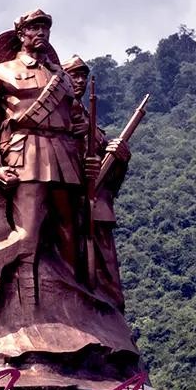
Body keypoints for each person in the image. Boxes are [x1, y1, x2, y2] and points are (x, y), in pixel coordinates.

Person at [0, 9, 87, 298]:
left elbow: (76, 118)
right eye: (34, 28)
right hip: (25, 152)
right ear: (21, 34)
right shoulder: (1, 72)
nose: (40, 33)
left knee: (70, 227)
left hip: (64, 154)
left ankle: (74, 295)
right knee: (28, 230)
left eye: (44, 28)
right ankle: (9, 283)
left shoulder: (61, 77)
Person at [62, 55, 131, 309]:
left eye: (83, 76)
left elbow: (111, 177)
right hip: (72, 197)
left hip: (98, 199)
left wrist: (119, 158)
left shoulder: (88, 118)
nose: (79, 81)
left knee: (106, 268)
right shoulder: (59, 113)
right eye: (74, 75)